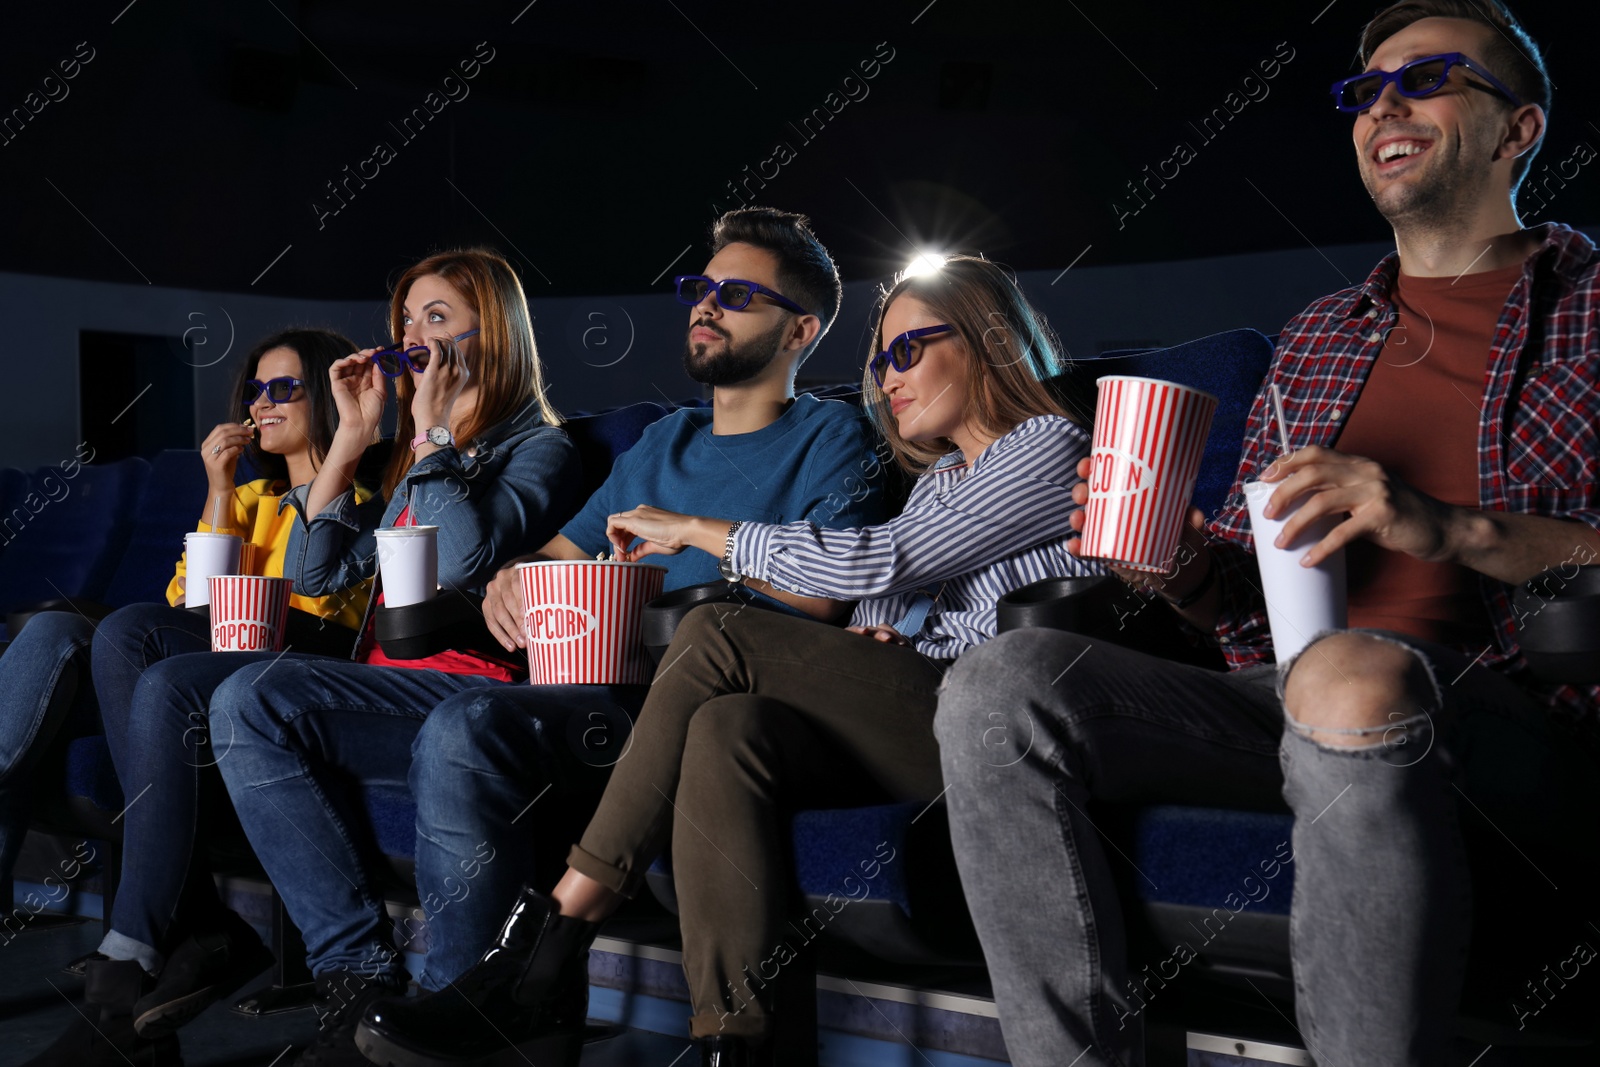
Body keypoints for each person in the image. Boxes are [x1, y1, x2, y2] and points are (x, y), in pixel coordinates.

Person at [932, 2, 1600, 1064]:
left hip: (1518, 715)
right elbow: (1253, 615)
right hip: (1291, 700)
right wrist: (1188, 570)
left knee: (1346, 674)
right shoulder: (1316, 340)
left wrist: (1447, 526)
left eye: (1424, 78)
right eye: (1363, 90)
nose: (1382, 103)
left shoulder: (1591, 309)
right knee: (996, 682)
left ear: (1517, 130)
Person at [353, 253, 1106, 1067]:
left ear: (988, 341)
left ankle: (552, 940)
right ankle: (735, 1044)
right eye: (880, 357)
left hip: (994, 729)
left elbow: (880, 561)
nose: (887, 376)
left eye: (909, 349)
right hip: (918, 704)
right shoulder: (938, 483)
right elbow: (881, 606)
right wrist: (877, 641)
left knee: (715, 631)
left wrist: (702, 532)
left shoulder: (1045, 443)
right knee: (725, 725)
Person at [216, 206, 888, 1066]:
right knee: (258, 695)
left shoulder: (835, 437)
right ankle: (382, 988)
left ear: (802, 328)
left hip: (688, 710)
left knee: (464, 724)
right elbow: (551, 558)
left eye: (739, 294)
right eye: (702, 288)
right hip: (580, 691)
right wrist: (510, 575)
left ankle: (469, 1007)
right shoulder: (662, 439)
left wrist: (691, 532)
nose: (707, 306)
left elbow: (825, 592)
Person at [27, 249, 583, 1067]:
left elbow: (460, 562)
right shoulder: (404, 458)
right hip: (383, 678)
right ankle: (315, 966)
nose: (412, 335)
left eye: (436, 318)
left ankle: (273, 959)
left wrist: (427, 438)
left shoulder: (538, 448)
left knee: (227, 689)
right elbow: (316, 570)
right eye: (406, 321)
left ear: (491, 335)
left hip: (475, 690)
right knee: (150, 644)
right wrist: (354, 440)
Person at [14, 328, 376, 1064]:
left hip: (288, 670)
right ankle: (175, 939)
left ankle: (138, 961)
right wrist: (218, 490)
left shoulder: (360, 500)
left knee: (132, 638)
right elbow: (194, 605)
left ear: (330, 398)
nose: (262, 403)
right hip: (202, 675)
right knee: (121, 632)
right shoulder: (243, 496)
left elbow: (331, 606)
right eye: (254, 390)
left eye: (284, 389)